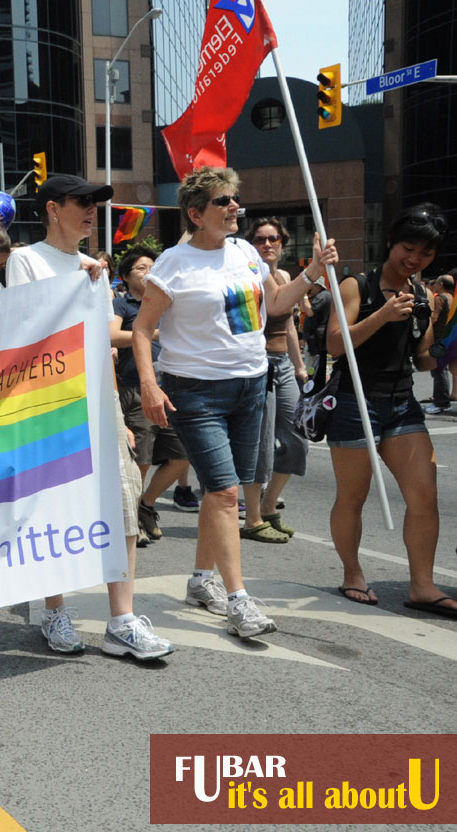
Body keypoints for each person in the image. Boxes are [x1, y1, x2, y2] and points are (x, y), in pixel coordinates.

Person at [132, 166, 334, 638]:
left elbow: (278, 303)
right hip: (195, 391)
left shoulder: (244, 251)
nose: (234, 208)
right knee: (224, 494)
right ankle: (239, 599)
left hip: (250, 385)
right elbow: (142, 330)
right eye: (223, 202)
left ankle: (202, 579)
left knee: (223, 489)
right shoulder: (173, 264)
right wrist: (149, 384)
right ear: (196, 214)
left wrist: (312, 272)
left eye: (234, 200)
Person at [8, 173, 173, 660]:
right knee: (52, 510)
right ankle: (54, 610)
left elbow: (100, 344)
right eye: (81, 202)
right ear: (52, 209)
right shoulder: (26, 260)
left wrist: (115, 412)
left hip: (97, 406)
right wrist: (77, 286)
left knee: (123, 503)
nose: (91, 211)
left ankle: (121, 620)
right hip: (47, 407)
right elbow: (26, 333)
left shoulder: (93, 269)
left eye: (95, 204)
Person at [324, 204, 455, 617]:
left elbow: (423, 360)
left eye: (426, 254)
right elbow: (333, 345)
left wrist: (441, 333)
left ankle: (422, 586)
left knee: (424, 496)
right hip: (353, 401)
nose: (414, 259)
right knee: (353, 496)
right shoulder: (355, 286)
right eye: (408, 248)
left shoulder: (422, 294)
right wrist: (381, 315)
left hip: (402, 405)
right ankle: (352, 573)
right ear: (390, 244)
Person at [108, 245, 190, 546]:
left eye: (153, 266)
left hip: (171, 386)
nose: (149, 271)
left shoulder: (166, 302)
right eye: (141, 268)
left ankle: (146, 504)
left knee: (183, 455)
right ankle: (130, 519)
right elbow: (111, 335)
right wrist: (148, 334)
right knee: (140, 459)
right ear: (127, 276)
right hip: (136, 389)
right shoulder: (122, 305)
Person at [240, 218, 310, 544]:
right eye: (260, 239)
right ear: (250, 244)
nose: (267, 244)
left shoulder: (283, 276)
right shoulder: (252, 276)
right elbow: (273, 304)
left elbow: (291, 327)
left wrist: (300, 367)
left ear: (282, 242)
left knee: (297, 440)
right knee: (263, 444)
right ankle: (252, 518)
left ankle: (269, 506)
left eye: (273, 239)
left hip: (284, 366)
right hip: (259, 365)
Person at [423, 273, 455, 414]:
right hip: (449, 339)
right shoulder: (452, 298)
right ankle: (443, 401)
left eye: (436, 283)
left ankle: (441, 402)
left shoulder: (439, 299)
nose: (434, 285)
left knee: (438, 371)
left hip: (438, 339)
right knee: (444, 370)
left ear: (441, 285)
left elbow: (433, 319)